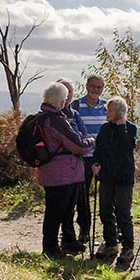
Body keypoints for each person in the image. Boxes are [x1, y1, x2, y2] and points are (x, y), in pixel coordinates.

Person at [35, 82, 95, 259]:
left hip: (50, 172)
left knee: (56, 211)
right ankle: (51, 249)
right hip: (63, 173)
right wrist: (90, 141)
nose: (66, 101)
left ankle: (59, 244)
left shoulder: (42, 117)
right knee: (57, 212)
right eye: (64, 98)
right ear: (59, 100)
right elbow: (78, 145)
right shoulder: (57, 120)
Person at [91, 96, 138, 265]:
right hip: (107, 177)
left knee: (123, 213)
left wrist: (121, 127)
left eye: (110, 111)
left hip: (124, 178)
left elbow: (128, 146)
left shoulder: (130, 129)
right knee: (105, 211)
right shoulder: (104, 129)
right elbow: (99, 150)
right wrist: (96, 163)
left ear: (119, 112)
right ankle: (111, 243)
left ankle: (128, 247)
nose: (106, 113)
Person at [70, 75, 107, 245]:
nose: (96, 90)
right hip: (83, 158)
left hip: (102, 158)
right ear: (86, 86)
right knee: (82, 196)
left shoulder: (107, 107)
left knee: (108, 195)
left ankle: (111, 231)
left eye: (99, 87)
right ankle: (84, 230)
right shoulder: (76, 106)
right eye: (93, 86)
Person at [56, 78, 90, 254]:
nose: (68, 96)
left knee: (75, 202)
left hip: (76, 164)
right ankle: (64, 239)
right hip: (58, 167)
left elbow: (83, 136)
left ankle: (71, 238)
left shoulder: (75, 115)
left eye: (70, 93)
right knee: (61, 205)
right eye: (64, 92)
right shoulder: (52, 116)